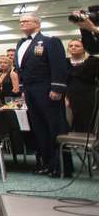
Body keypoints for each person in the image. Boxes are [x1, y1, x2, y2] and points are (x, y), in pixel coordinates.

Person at [16, 12, 69, 177]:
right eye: (20, 21)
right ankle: (46, 163)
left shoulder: (50, 41)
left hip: (47, 90)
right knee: (39, 128)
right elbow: (22, 69)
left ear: (37, 23)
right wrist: (23, 89)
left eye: (26, 21)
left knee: (54, 127)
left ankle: (61, 166)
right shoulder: (20, 43)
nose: (22, 24)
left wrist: (57, 88)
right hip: (31, 91)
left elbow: (58, 66)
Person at [65, 38, 99, 133]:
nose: (73, 48)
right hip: (69, 97)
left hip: (88, 96)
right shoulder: (64, 63)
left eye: (77, 46)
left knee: (87, 122)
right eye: (71, 46)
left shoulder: (92, 62)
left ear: (84, 49)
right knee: (69, 123)